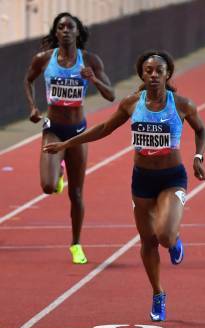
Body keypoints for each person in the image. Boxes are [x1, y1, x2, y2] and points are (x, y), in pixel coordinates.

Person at [44, 50, 205, 322]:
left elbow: (201, 130)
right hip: (142, 179)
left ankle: (175, 241)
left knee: (165, 236)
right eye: (148, 70)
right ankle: (158, 293)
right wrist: (66, 144)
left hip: (171, 177)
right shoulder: (132, 104)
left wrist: (199, 156)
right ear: (142, 74)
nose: (153, 75)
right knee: (148, 241)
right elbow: (105, 128)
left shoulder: (182, 104)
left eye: (159, 71)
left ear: (168, 74)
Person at [24, 12, 115, 264]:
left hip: (78, 133)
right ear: (56, 33)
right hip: (53, 128)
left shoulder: (89, 61)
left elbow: (111, 95)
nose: (65, 30)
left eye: (69, 27)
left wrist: (93, 78)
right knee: (48, 187)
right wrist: (32, 107)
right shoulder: (43, 59)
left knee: (76, 194)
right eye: (60, 27)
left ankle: (76, 244)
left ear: (77, 32)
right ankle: (58, 173)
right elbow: (28, 80)